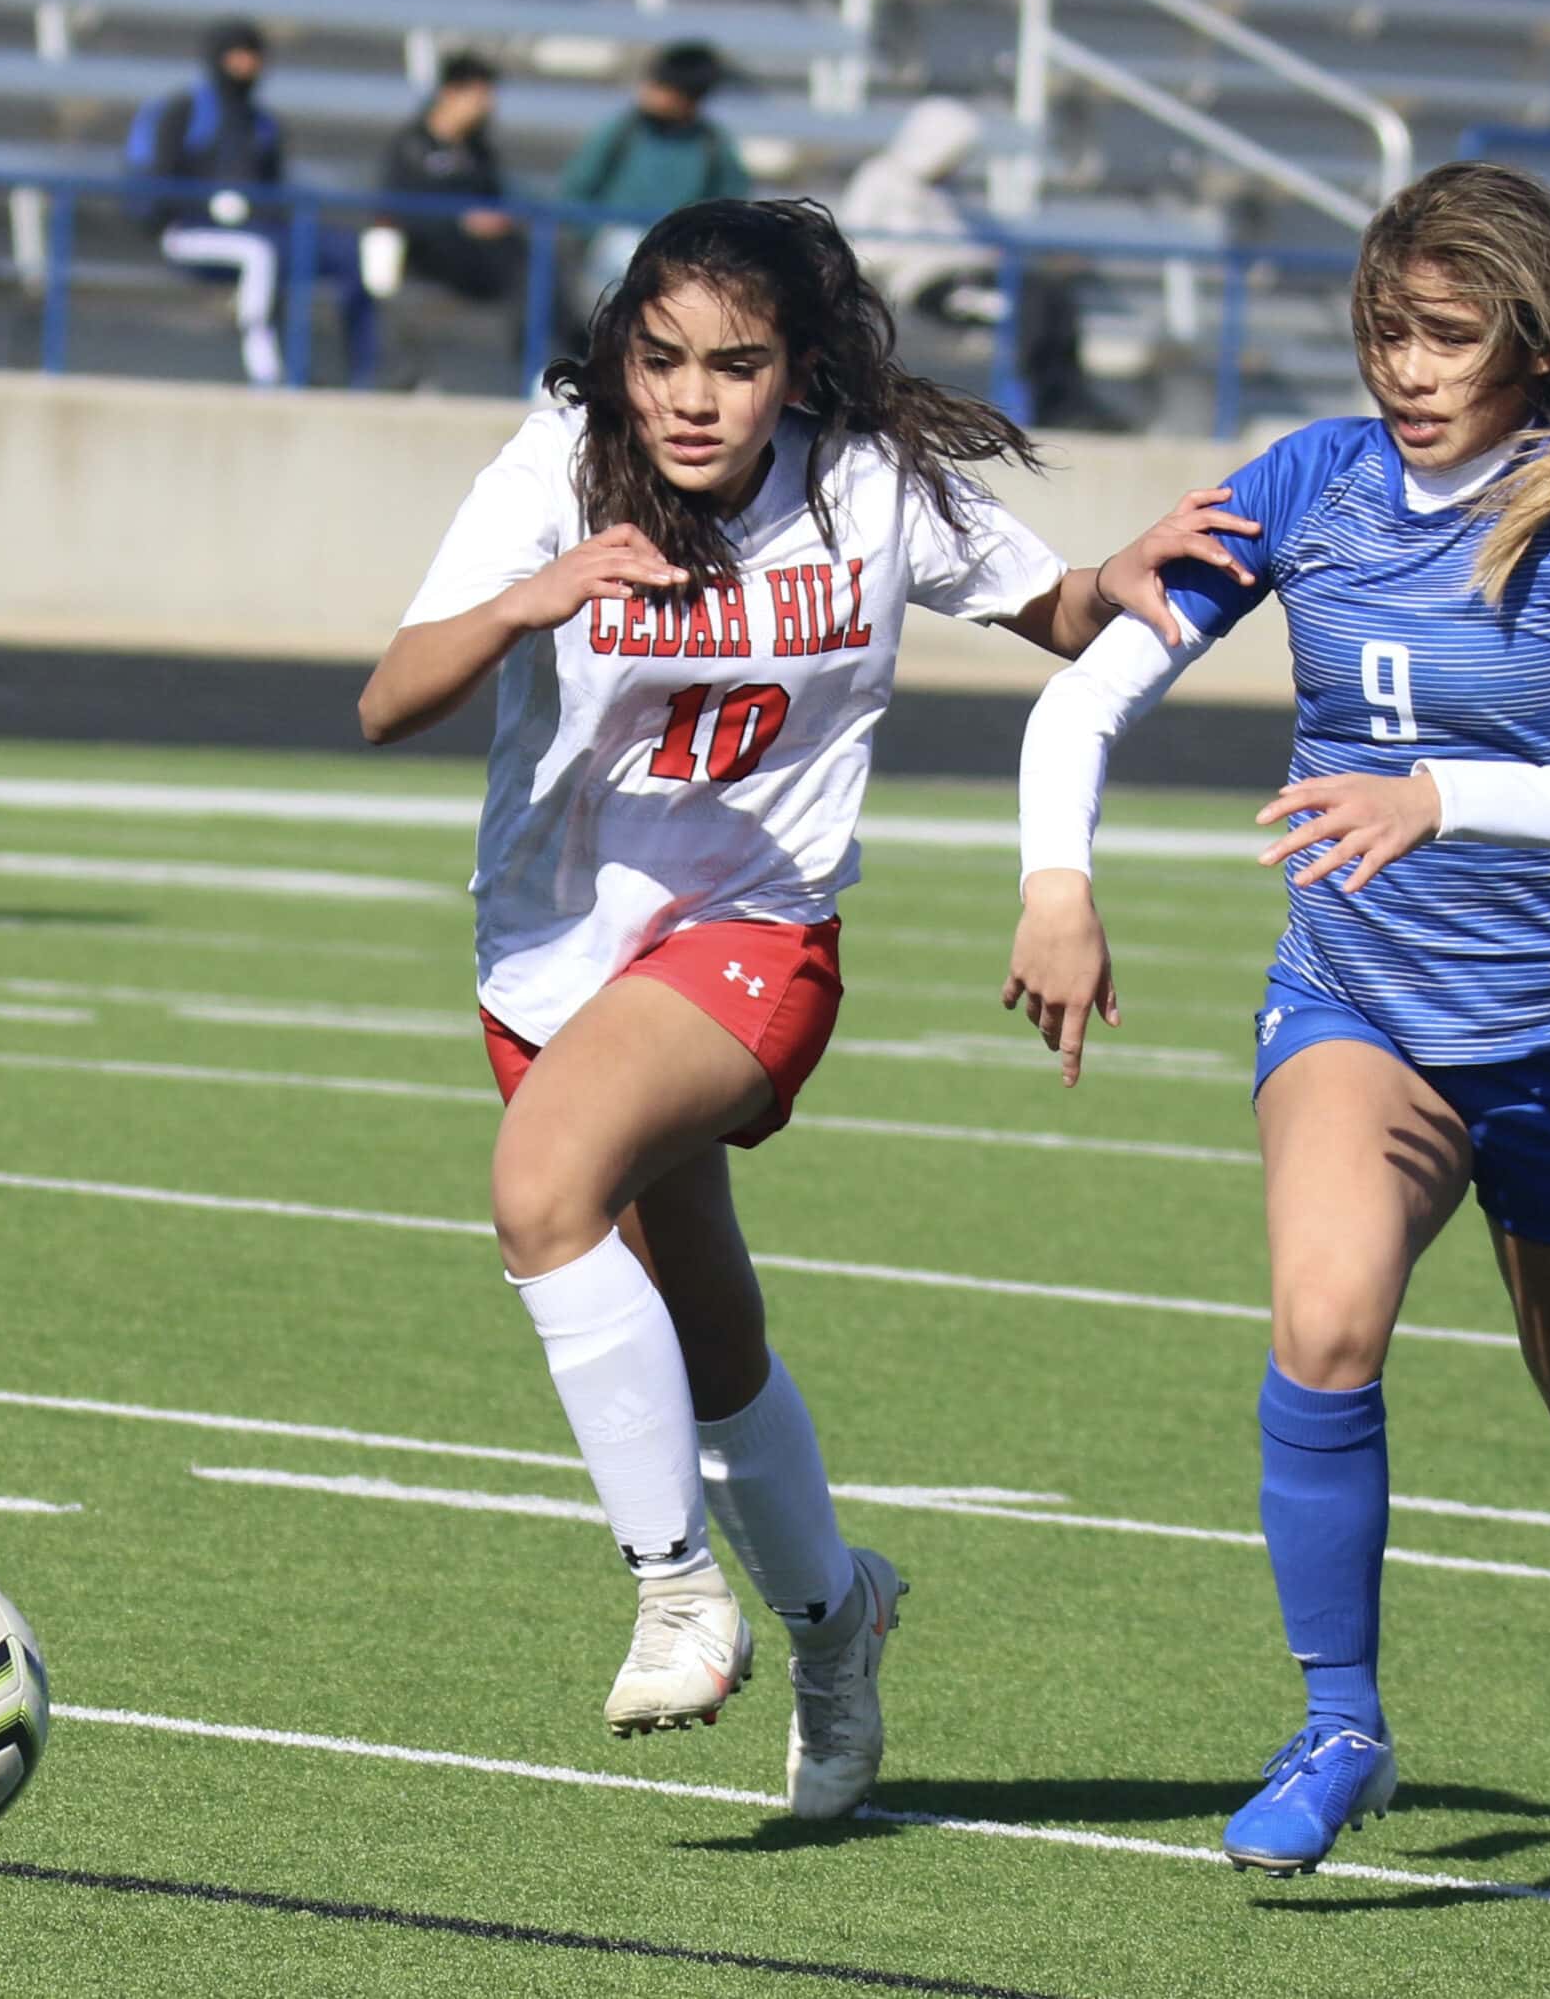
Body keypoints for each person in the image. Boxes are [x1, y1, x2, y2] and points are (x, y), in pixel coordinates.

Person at [1004, 160, 1550, 1879]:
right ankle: (1341, 1720)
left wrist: (1440, 795)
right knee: (1326, 1312)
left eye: (1448, 336)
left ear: (1526, 334)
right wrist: (1055, 880)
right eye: (1386, 332)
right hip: (1360, 1006)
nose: (1410, 370)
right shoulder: (1312, 482)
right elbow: (1092, 698)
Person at [358, 197, 1178, 1817]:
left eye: (736, 364)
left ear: (797, 370)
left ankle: (677, 1589)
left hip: (756, 934)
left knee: (539, 1190)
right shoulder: (557, 462)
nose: (691, 395)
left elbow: (1062, 610)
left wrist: (1132, 579)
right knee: (708, 1330)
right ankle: (838, 1613)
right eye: (661, 356)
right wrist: (534, 597)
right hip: (552, 954)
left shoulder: (868, 483)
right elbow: (389, 698)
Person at [839, 97, 1109, 430]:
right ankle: (1048, 409)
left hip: (975, 277)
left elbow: (971, 244)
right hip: (931, 288)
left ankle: (1069, 400)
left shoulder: (944, 194)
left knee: (1052, 296)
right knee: (1026, 311)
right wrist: (919, 255)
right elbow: (859, 247)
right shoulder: (880, 179)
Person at [130, 19, 289, 385]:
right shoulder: (185, 112)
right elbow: (158, 184)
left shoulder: (262, 124)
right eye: (237, 55)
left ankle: (359, 368)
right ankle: (263, 361)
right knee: (259, 253)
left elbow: (275, 193)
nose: (245, 65)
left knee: (318, 253)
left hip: (248, 232)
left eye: (252, 56)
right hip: (186, 232)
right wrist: (203, 207)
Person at [558, 42, 749, 320]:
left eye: (662, 85)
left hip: (678, 260)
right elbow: (575, 190)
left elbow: (733, 209)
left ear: (688, 98)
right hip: (611, 252)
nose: (648, 91)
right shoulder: (623, 132)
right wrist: (597, 232)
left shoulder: (713, 146)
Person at [380, 50, 519, 307]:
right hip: (429, 254)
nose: (487, 106)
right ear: (451, 93)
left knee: (532, 260)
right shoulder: (412, 146)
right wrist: (461, 222)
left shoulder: (479, 153)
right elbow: (398, 210)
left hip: (485, 256)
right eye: (479, 97)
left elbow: (495, 201)